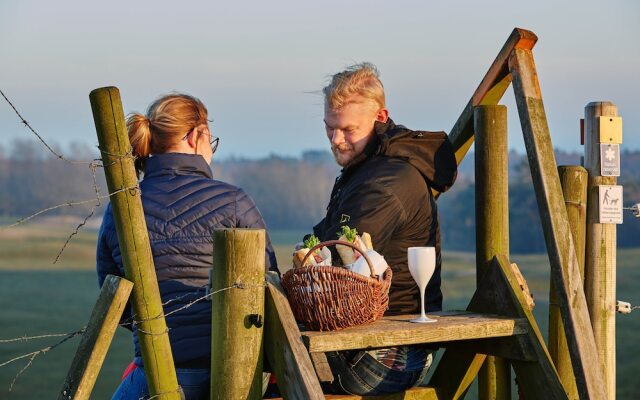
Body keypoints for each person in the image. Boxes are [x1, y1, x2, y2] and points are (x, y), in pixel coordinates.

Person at [96, 93, 278, 399]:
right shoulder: (234, 202)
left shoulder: (122, 208)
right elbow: (269, 285)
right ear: (197, 135)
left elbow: (113, 293)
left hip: (153, 373)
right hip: (230, 373)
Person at [312, 63, 457, 395]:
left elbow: (332, 261)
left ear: (380, 117)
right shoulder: (368, 168)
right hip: (380, 341)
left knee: (264, 348)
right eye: (329, 127)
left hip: (386, 354)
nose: (336, 140)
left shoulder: (385, 180)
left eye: (348, 129)